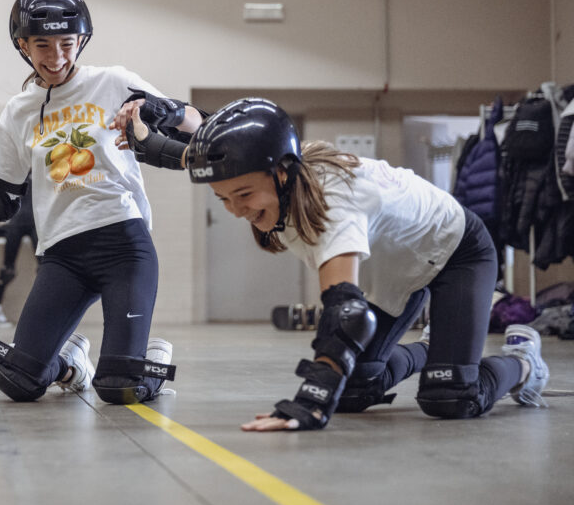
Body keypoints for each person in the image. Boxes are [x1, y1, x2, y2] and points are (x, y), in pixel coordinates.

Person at [155, 97, 549, 431]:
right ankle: (437, 345)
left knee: (451, 397)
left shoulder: (332, 201)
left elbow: (348, 316)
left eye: (243, 195)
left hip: (455, 250)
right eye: (223, 199)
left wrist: (311, 403)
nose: (236, 210)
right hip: (395, 270)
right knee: (353, 389)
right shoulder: (279, 167)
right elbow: (207, 147)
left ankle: (524, 361)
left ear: (281, 172)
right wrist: (152, 129)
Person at [0, 0, 201, 404]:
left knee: (119, 386)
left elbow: (195, 121)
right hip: (62, 256)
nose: (56, 57)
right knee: (16, 377)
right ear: (23, 45)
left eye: (67, 44)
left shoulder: (114, 82)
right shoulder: (19, 111)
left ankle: (153, 359)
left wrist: (160, 110)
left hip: (123, 247)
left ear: (81, 41)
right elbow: (4, 194)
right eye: (42, 45)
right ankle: (71, 365)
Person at [0, 173, 36, 328]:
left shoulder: (43, 172)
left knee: (46, 266)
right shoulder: (17, 173)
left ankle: (49, 312)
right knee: (7, 270)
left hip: (35, 223)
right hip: (17, 223)